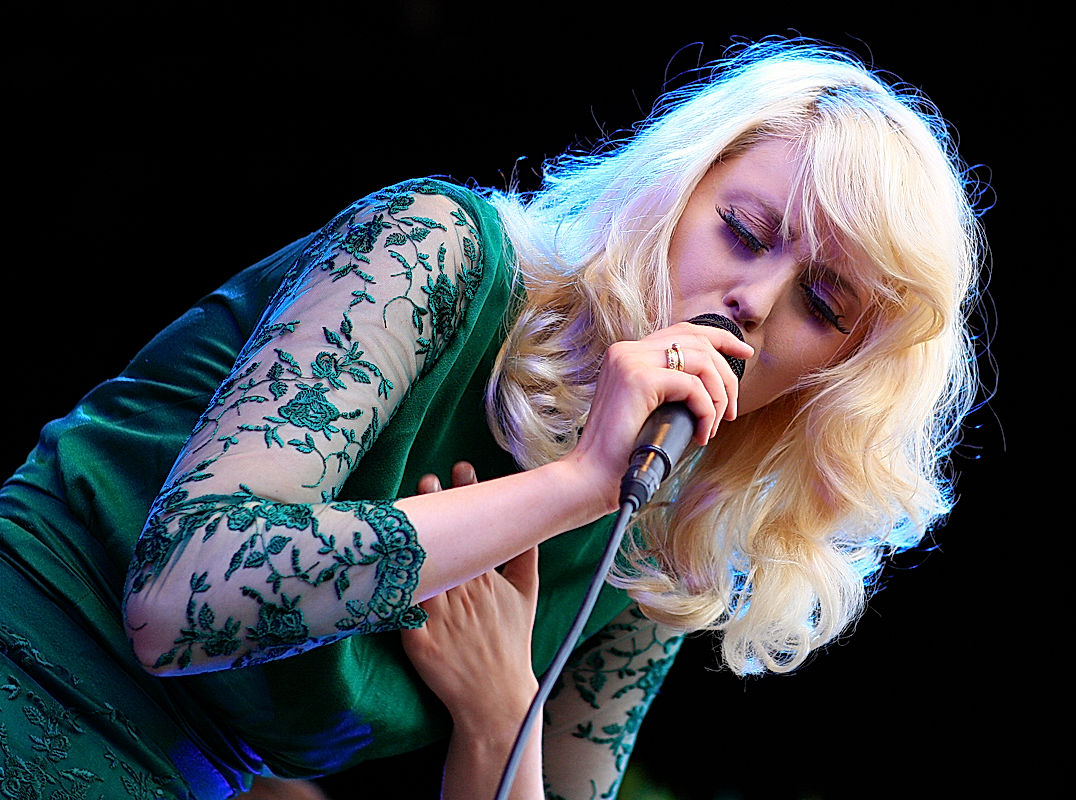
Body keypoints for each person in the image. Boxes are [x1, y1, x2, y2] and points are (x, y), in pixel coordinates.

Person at [0, 38, 984, 799]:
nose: (755, 299)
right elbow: (179, 597)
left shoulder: (667, 542)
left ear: (841, 375)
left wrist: (499, 709)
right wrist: (571, 486)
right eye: (742, 230)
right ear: (672, 195)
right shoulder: (439, 252)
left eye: (822, 302)